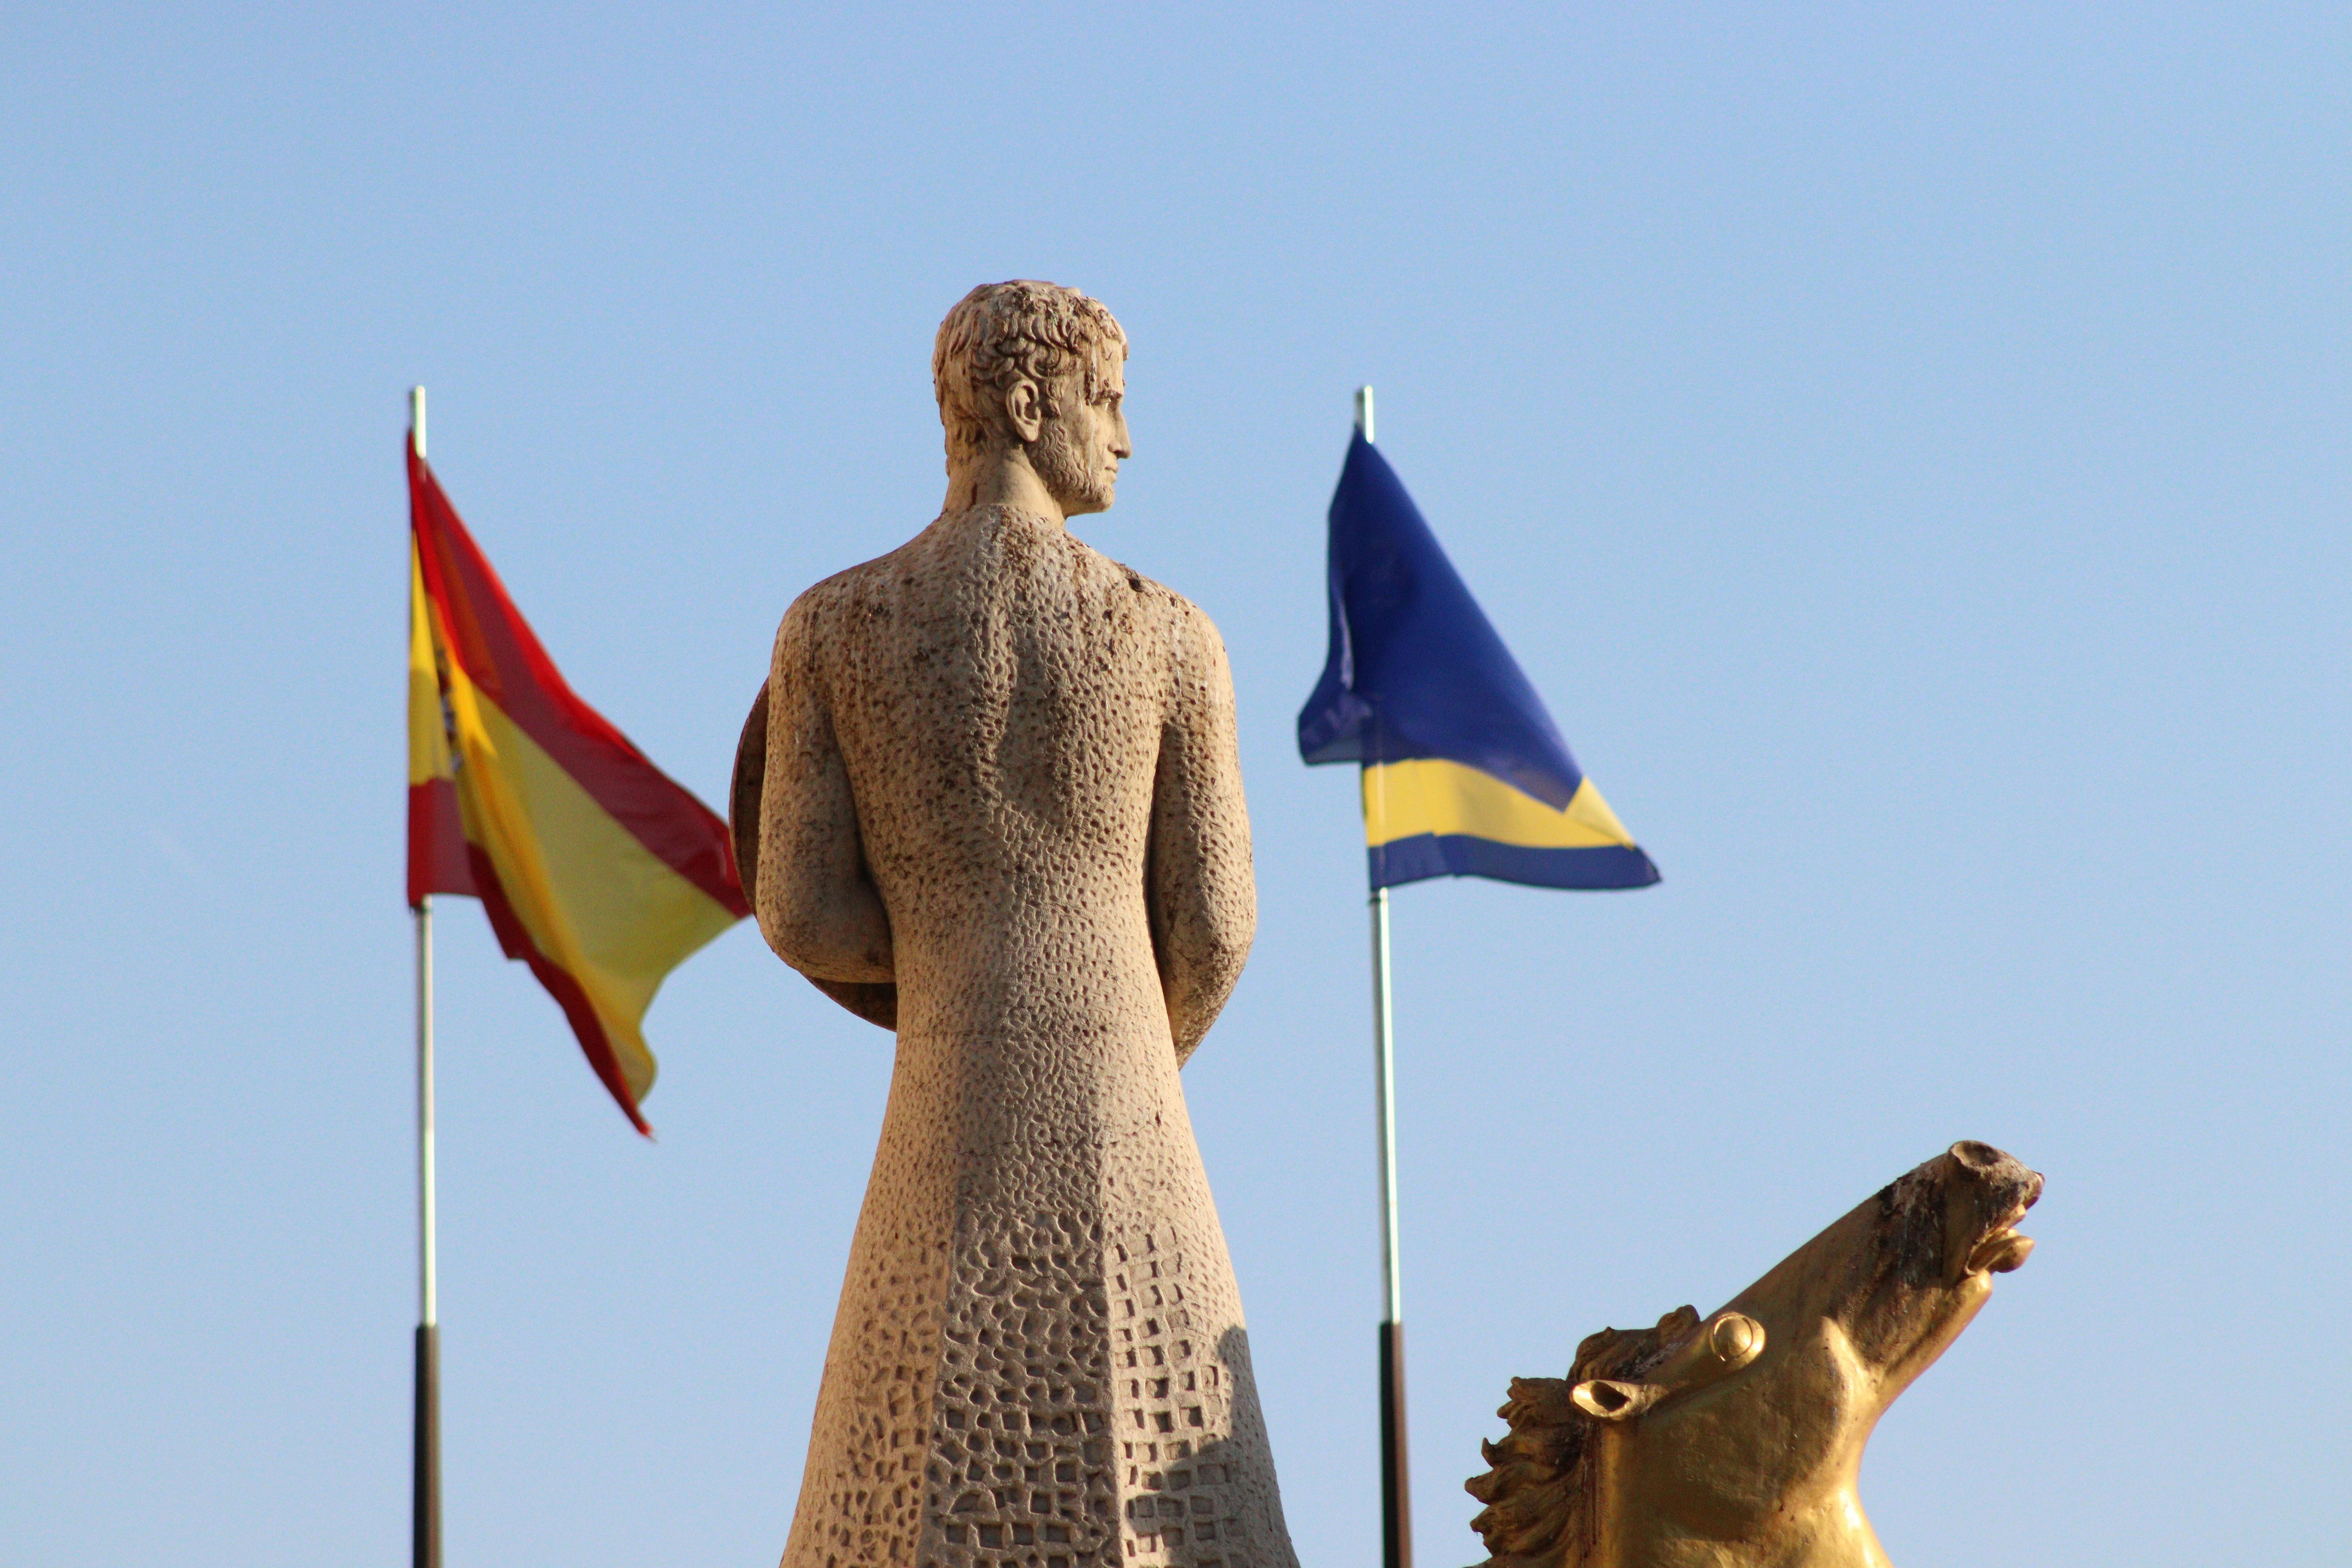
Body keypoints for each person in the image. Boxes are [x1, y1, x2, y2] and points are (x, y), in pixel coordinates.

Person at [747, 281, 1298, 1568]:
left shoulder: (831, 627)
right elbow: (1217, 921)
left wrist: (936, 957)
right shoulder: (1166, 632)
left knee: (893, 1492)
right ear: (1025, 397)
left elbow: (800, 913)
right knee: (1177, 1487)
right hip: (1129, 1108)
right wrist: (1140, 1052)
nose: (1124, 437)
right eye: (1107, 400)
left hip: (945, 1087)